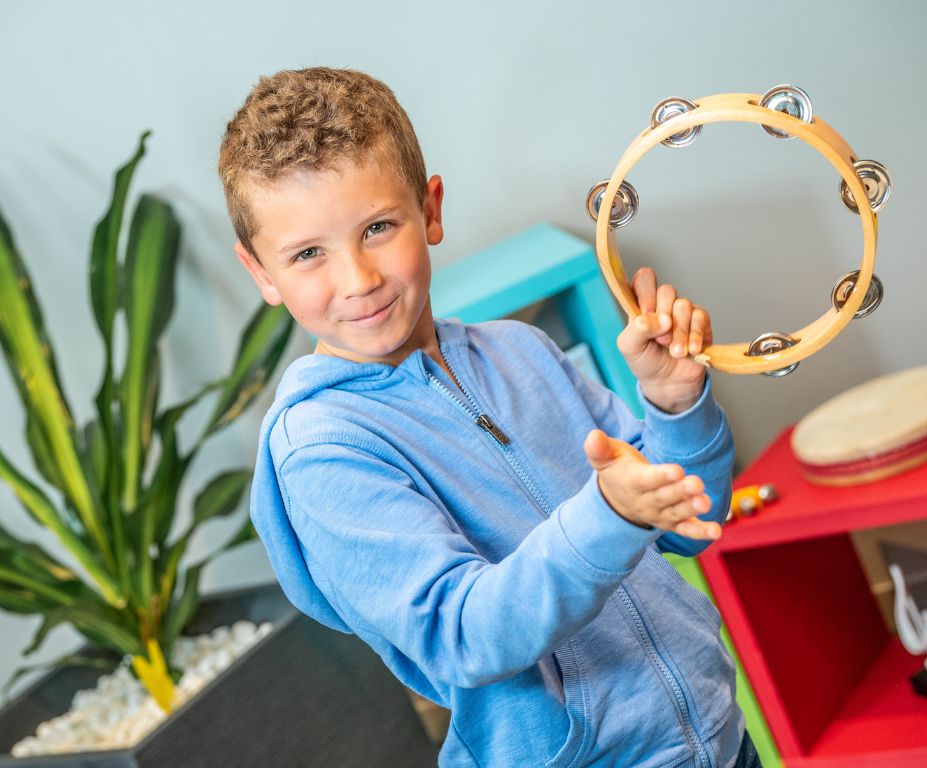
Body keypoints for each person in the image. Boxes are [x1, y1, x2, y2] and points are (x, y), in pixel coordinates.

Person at [218, 66, 758, 768]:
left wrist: (674, 402)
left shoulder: (521, 351)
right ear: (261, 271)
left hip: (718, 739)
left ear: (430, 209)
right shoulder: (321, 450)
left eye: (378, 227)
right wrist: (611, 515)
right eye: (308, 254)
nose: (358, 280)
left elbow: (691, 519)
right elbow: (463, 634)